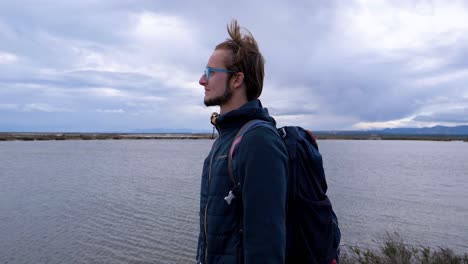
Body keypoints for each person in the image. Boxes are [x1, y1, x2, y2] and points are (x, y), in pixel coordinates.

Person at [196, 19, 288, 264]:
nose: (201, 81)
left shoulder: (258, 141)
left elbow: (267, 247)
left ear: (237, 80)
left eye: (210, 73)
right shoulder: (225, 138)